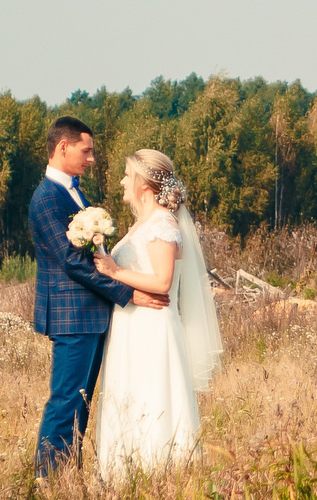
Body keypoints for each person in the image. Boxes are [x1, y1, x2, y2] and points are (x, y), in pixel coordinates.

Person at [29, 116, 164, 477]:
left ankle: (67, 474)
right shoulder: (47, 198)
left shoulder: (73, 192)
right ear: (63, 147)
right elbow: (72, 262)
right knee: (66, 401)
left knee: (81, 403)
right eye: (86, 151)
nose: (91, 159)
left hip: (89, 315)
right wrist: (129, 293)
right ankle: (47, 479)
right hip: (70, 316)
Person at [84, 148, 225, 481]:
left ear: (143, 183)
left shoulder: (162, 223)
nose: (122, 181)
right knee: (130, 397)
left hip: (151, 327)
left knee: (152, 394)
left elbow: (162, 282)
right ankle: (123, 475)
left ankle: (156, 473)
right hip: (131, 325)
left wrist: (115, 271)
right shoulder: (141, 224)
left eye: (126, 175)